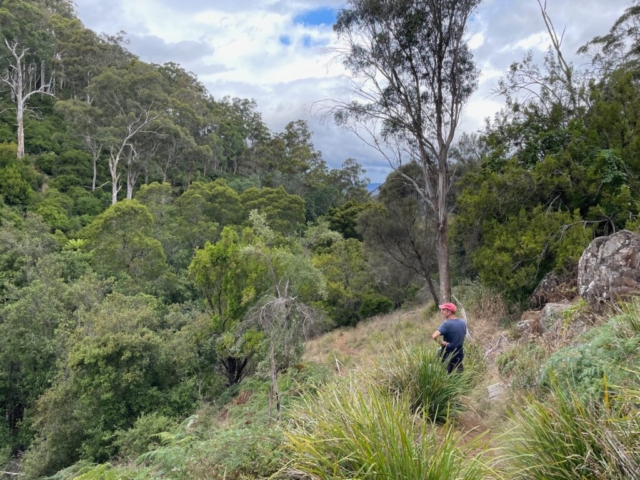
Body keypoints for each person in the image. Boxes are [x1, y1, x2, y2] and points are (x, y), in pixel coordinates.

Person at [431, 302, 466, 374]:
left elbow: (434, 336)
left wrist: (441, 343)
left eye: (443, 310)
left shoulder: (446, 324)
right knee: (458, 375)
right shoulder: (462, 323)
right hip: (459, 353)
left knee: (446, 376)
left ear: (449, 312)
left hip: (448, 354)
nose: (441, 312)